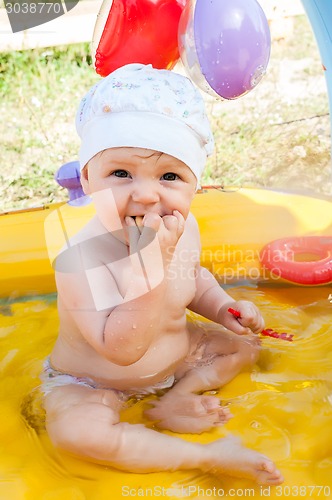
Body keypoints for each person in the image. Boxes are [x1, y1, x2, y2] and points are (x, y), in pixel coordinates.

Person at [42, 63, 283, 485]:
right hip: (93, 380)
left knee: (245, 348)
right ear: (88, 177)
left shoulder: (183, 227)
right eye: (121, 174)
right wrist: (149, 267)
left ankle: (177, 399)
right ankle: (206, 455)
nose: (147, 194)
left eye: (170, 176)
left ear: (196, 186)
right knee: (79, 435)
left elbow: (193, 278)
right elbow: (121, 350)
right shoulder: (80, 259)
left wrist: (222, 307)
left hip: (178, 356)